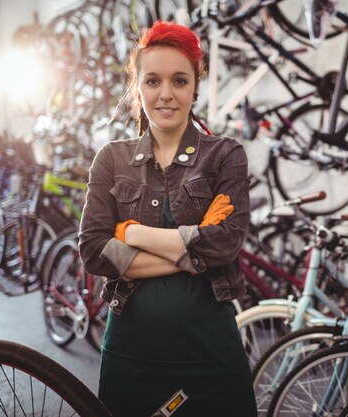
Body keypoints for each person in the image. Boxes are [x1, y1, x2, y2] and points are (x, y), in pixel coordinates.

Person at [78, 21, 257, 417]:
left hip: (211, 354)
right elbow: (93, 251)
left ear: (196, 83)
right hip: (131, 353)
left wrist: (133, 233)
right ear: (137, 86)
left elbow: (225, 243)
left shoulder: (225, 156)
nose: (165, 95)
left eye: (179, 81)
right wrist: (195, 254)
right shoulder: (111, 159)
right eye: (152, 81)